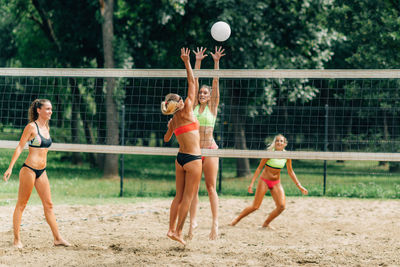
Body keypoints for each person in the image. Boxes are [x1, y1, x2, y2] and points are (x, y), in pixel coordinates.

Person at [3, 99, 70, 248]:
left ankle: (57, 238)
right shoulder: (31, 127)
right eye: (47, 109)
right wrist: (10, 167)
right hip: (29, 170)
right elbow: (20, 147)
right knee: (22, 204)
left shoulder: (46, 127)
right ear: (38, 110)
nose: (50, 111)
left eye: (51, 109)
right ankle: (16, 240)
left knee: (49, 205)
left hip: (42, 171)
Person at [162, 48, 202, 245]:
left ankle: (171, 229)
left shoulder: (173, 120)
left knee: (178, 196)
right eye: (179, 98)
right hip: (194, 160)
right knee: (188, 198)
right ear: (178, 102)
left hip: (180, 159)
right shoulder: (187, 108)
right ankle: (178, 231)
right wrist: (187, 62)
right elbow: (193, 82)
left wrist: (170, 126)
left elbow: (166, 139)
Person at [229, 134, 308, 228]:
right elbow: (259, 169)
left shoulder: (287, 155)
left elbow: (290, 171)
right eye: (277, 140)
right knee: (255, 206)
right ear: (275, 143)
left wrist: (299, 186)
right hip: (264, 181)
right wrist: (251, 183)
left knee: (281, 207)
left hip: (276, 183)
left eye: (281, 141)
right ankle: (235, 220)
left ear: (285, 144)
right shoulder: (269, 153)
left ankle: (266, 224)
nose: (279, 142)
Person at [187, 46, 225, 240]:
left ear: (210, 97)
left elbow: (215, 83)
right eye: (200, 93)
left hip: (210, 149)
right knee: (192, 189)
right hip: (195, 151)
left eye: (205, 93)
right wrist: (198, 61)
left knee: (211, 187)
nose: (202, 94)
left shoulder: (213, 106)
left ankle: (215, 225)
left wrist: (216, 61)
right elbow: (194, 81)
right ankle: (192, 223)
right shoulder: (193, 106)